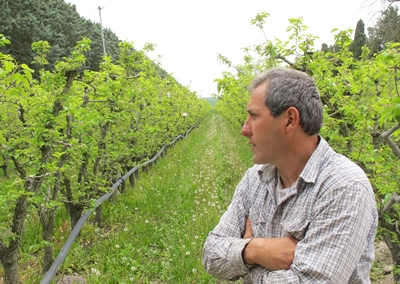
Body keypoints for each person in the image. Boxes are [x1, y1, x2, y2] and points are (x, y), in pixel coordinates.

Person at [202, 68, 378, 283]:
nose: (244, 129)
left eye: (254, 116)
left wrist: (245, 264)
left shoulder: (344, 187)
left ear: (289, 120)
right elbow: (210, 255)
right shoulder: (254, 179)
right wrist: (254, 250)